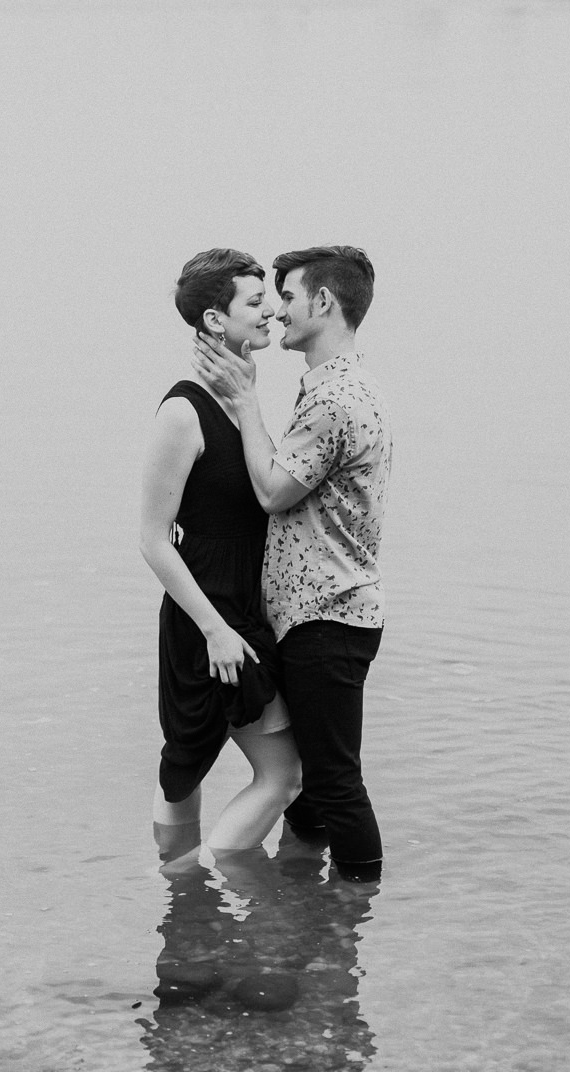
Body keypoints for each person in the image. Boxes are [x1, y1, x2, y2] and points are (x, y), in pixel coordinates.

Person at [193, 245, 391, 882]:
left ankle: (356, 903)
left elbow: (275, 491)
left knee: (334, 781)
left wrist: (247, 402)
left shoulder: (337, 399)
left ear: (324, 302)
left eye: (288, 296)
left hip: (328, 617)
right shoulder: (333, 388)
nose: (277, 312)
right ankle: (305, 901)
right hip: (320, 615)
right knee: (309, 785)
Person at [140, 249, 303, 859]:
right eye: (255, 302)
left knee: (189, 763)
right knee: (281, 776)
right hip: (209, 617)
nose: (272, 312)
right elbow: (153, 537)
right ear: (215, 320)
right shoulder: (183, 410)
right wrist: (214, 630)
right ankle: (191, 882)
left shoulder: (243, 399)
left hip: (241, 605)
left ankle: (176, 899)